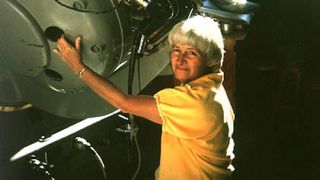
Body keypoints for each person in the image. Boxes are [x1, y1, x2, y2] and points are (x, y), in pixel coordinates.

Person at [53, 15, 235, 180]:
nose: (180, 59)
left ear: (209, 58)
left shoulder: (194, 102)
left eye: (192, 53)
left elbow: (124, 103)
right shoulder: (213, 89)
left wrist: (77, 66)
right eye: (177, 50)